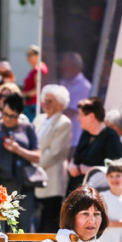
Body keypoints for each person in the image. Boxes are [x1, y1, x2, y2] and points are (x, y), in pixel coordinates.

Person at [0, 91, 40, 242]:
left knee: (23, 226)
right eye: (5, 114)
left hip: (22, 187)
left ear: (19, 115)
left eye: (12, 116)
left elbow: (37, 156)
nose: (7, 119)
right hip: (0, 186)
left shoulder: (27, 128)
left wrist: (18, 149)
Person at [34, 84, 73, 233]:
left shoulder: (64, 122)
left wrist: (31, 165)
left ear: (60, 104)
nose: (46, 104)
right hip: (34, 178)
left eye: (51, 101)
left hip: (51, 180)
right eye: (45, 100)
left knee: (48, 224)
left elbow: (55, 152)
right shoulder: (39, 118)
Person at [67, 97, 122, 192]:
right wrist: (72, 165)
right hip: (77, 189)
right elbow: (76, 156)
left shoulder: (110, 136)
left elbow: (116, 167)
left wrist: (85, 169)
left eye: (81, 115)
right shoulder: (86, 134)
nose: (78, 118)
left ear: (91, 116)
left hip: (98, 193)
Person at [59, 52, 92, 147]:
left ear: (73, 66)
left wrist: (54, 110)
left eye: (64, 65)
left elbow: (71, 111)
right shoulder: (63, 82)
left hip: (74, 140)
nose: (61, 68)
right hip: (61, 137)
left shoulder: (84, 86)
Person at [22, 45, 47, 120]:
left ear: (37, 55)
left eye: (30, 55)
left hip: (34, 105)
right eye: (27, 55)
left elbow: (38, 89)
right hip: (30, 104)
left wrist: (22, 95)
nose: (28, 58)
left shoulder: (39, 69)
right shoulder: (35, 69)